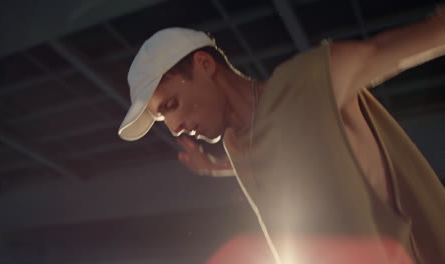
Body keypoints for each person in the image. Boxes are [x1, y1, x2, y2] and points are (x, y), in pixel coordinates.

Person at [118, 6, 445, 264]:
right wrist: (214, 167)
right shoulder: (235, 142)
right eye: (164, 117)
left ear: (204, 64)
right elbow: (283, 156)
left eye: (172, 104)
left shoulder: (307, 82)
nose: (174, 127)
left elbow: (420, 38)